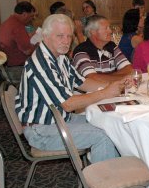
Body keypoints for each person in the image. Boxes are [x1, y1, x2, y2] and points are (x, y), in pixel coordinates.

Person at [15, 14, 125, 164]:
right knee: (102, 136)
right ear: (45, 36)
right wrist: (106, 92)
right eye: (60, 36)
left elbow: (83, 83)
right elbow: (68, 104)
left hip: (61, 119)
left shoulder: (60, 58)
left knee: (109, 125)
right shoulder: (41, 64)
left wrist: (116, 86)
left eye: (69, 36)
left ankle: (110, 172)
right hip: (41, 129)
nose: (66, 41)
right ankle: (105, 182)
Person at [72, 15, 132, 82]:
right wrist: (122, 77)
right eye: (106, 28)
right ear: (93, 32)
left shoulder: (111, 46)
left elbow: (129, 69)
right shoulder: (81, 51)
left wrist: (104, 77)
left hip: (113, 90)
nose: (110, 31)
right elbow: (92, 79)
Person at [0, 1, 36, 82]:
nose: (32, 19)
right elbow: (27, 51)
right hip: (17, 69)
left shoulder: (6, 23)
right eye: (31, 16)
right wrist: (37, 43)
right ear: (25, 14)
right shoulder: (18, 26)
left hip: (7, 68)